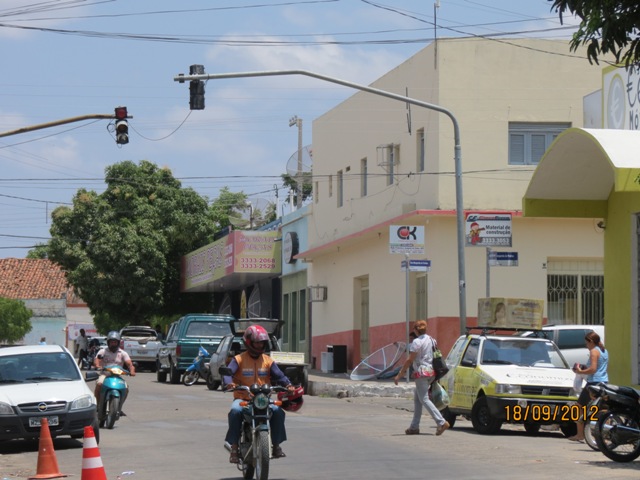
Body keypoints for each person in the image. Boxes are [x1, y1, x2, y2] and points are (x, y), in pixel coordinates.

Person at [223, 325, 296, 464]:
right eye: (257, 342)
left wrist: (288, 385)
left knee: (278, 411)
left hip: (263, 399)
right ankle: (234, 447)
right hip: (243, 399)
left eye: (262, 342)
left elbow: (279, 376)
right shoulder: (238, 359)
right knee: (235, 411)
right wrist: (229, 383)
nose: (260, 345)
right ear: (249, 342)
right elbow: (228, 373)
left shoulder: (268, 361)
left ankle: (276, 445)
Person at [394, 320, 450, 436]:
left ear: (415, 330)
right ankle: (414, 427)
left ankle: (441, 422)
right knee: (417, 399)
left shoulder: (416, 342)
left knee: (424, 399)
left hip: (421, 373)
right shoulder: (432, 340)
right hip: (432, 372)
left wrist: (400, 374)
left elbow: (410, 360)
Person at [568, 330, 608, 442]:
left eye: (586, 343)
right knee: (603, 409)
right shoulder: (604, 351)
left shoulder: (594, 351)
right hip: (604, 382)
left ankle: (580, 434)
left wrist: (580, 371)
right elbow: (600, 368)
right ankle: (607, 435)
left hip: (594, 383)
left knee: (579, 407)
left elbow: (593, 369)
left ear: (591, 341)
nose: (586, 346)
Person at [94, 331, 136, 411]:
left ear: (118, 343)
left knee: (126, 388)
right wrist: (98, 365)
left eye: (115, 342)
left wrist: (132, 370)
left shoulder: (123, 353)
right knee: (99, 384)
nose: (113, 343)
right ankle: (98, 405)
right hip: (105, 375)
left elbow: (129, 364)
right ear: (108, 342)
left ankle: (119, 407)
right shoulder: (103, 351)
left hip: (117, 376)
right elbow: (97, 360)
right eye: (112, 342)